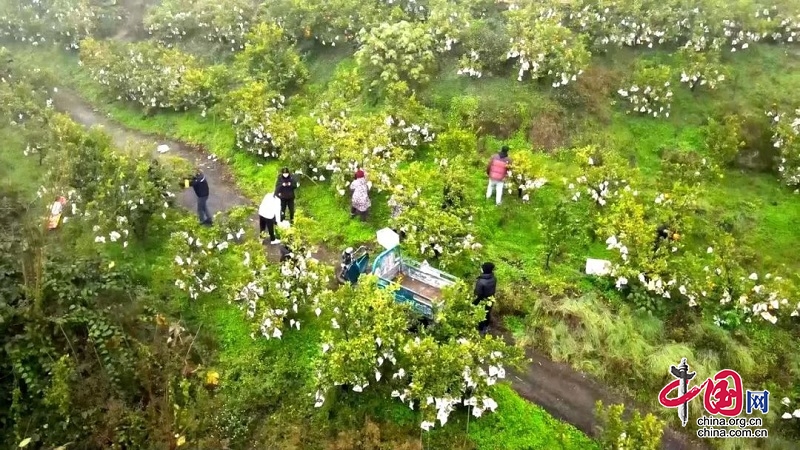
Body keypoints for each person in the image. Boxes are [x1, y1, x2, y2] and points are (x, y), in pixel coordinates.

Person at [473, 262, 497, 336]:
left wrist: (474, 303)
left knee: (480, 315)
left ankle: (481, 331)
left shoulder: (481, 282)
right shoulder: (493, 278)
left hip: (482, 301)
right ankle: (486, 327)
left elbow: (478, 294)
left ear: (484, 270)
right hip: (490, 300)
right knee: (487, 313)